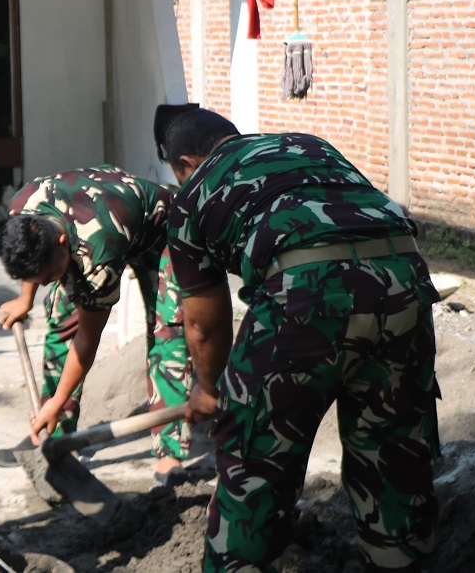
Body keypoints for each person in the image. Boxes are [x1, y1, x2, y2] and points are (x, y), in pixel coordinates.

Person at [162, 109, 441, 573]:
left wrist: (209, 389)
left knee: (255, 464)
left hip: (304, 294)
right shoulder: (309, 145)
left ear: (186, 162)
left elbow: (204, 324)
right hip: (405, 279)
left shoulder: (190, 196)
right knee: (394, 456)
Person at [0, 166, 193, 486]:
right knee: (60, 319)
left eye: (49, 277)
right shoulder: (23, 209)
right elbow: (31, 261)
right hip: (104, 220)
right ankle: (53, 436)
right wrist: (25, 299)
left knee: (167, 333)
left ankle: (170, 455)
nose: (47, 283)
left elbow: (86, 341)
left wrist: (56, 402)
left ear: (62, 243)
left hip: (162, 231)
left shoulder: (96, 252)